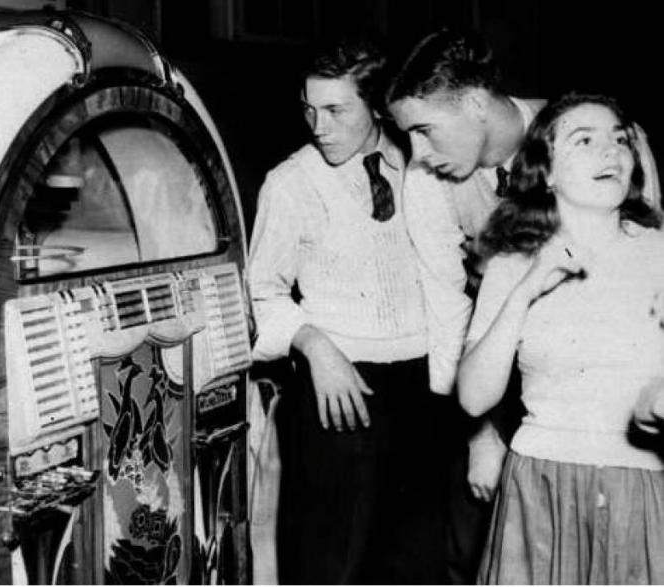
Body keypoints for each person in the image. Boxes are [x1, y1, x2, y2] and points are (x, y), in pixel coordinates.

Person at [384, 29, 662, 583]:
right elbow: (448, 314)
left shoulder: (591, 135)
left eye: (423, 129)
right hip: (506, 375)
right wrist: (481, 436)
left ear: (474, 104)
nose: (417, 154)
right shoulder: (428, 182)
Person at [248, 38, 451, 584]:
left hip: (425, 389)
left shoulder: (425, 164)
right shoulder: (290, 184)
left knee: (417, 565)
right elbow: (261, 292)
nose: (319, 127)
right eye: (309, 110)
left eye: (336, 110)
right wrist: (315, 346)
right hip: (339, 392)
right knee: (333, 565)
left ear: (377, 106)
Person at [456, 93, 664, 583]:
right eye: (584, 140)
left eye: (620, 140)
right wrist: (526, 290)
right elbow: (474, 397)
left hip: (640, 486)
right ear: (545, 171)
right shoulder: (512, 263)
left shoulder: (659, 254)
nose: (610, 151)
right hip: (540, 485)